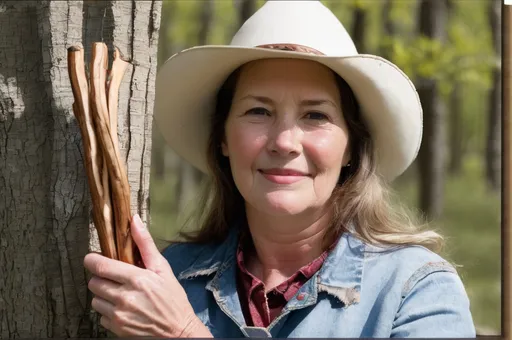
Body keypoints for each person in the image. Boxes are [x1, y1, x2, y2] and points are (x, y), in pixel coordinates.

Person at [83, 1, 476, 338]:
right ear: (222, 138)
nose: (284, 141)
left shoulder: (416, 290)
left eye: (315, 115)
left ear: (351, 148)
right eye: (259, 111)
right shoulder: (166, 279)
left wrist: (184, 332)